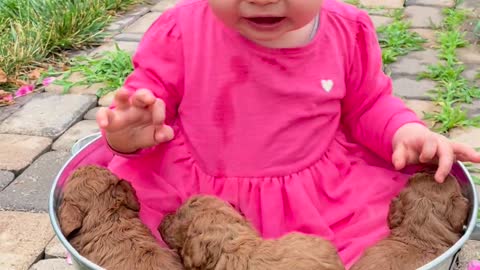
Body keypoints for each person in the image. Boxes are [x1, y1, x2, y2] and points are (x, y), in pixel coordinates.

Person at [96, 0, 480, 268]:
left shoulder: (347, 31)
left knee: (369, 249)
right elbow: (145, 104)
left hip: (321, 198)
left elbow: (367, 105)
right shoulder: (182, 31)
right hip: (197, 194)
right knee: (146, 244)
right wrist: (128, 134)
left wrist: (404, 130)